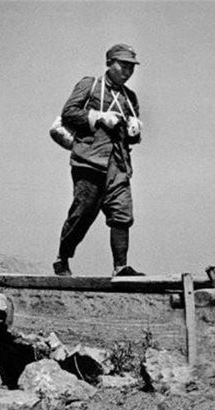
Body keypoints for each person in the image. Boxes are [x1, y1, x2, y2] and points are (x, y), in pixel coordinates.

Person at [52, 43, 145, 277]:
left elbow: (132, 139)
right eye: (122, 65)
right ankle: (62, 258)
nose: (127, 71)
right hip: (89, 160)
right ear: (109, 63)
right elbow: (69, 112)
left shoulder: (129, 98)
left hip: (119, 164)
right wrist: (98, 117)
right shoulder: (90, 85)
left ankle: (120, 267)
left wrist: (135, 131)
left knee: (122, 214)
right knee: (82, 214)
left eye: (131, 67)